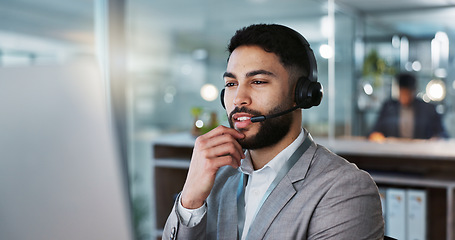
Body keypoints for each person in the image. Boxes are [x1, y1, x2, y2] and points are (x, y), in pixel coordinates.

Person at [163, 23, 384, 240]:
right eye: (231, 84)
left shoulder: (345, 189)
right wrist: (190, 201)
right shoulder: (216, 177)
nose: (239, 98)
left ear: (302, 94)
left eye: (258, 81)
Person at [369, 72, 448, 142]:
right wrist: (376, 135)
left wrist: (436, 139)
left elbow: (443, 134)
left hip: (422, 153)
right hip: (393, 153)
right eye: (402, 93)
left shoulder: (428, 109)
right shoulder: (388, 107)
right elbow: (375, 131)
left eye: (407, 93)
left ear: (414, 91)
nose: (405, 97)